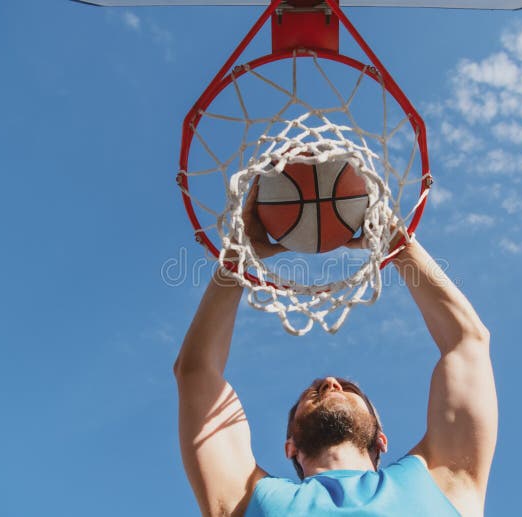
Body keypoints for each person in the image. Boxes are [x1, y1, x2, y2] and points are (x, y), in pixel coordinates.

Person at [174, 185, 498, 517]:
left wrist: (398, 244)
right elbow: (196, 372)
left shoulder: (441, 480)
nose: (330, 382)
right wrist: (237, 257)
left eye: (348, 389)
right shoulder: (245, 497)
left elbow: (468, 341)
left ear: (381, 440)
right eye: (314, 391)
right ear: (291, 447)